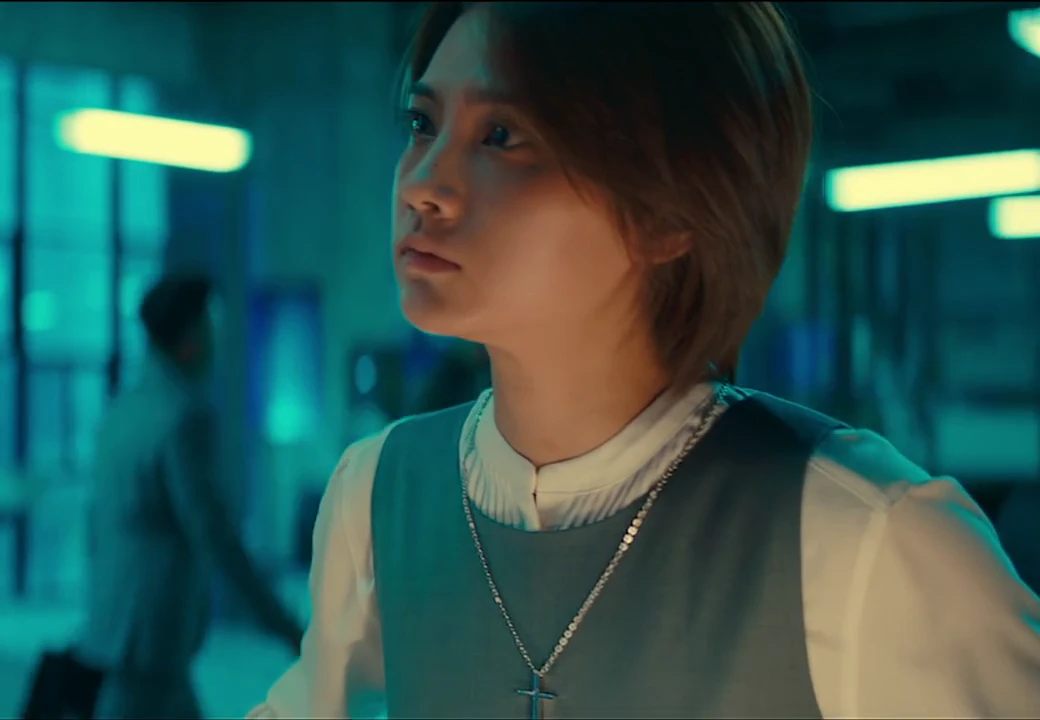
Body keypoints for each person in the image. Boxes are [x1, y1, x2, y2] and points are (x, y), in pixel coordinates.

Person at [253, 3, 1040, 719]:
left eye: (503, 137)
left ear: (671, 213)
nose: (422, 185)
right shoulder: (379, 494)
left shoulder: (874, 543)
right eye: (423, 123)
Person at [78, 274, 306, 719]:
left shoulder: (123, 410)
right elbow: (215, 535)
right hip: (151, 633)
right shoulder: (183, 417)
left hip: (119, 625)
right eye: (210, 326)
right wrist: (285, 625)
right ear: (190, 336)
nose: (217, 342)